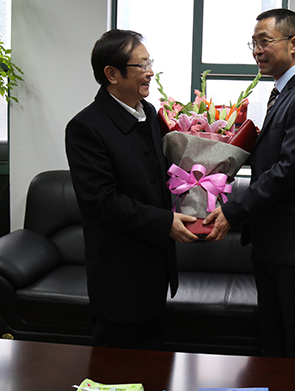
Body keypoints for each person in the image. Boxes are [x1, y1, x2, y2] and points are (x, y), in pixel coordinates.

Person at [204, 8, 295, 359]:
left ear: (294, 43)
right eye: (253, 43)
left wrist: (234, 211)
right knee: (273, 335)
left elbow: (289, 168)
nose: (257, 51)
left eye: (265, 41)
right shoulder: (284, 92)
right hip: (274, 240)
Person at [65, 29, 199, 350]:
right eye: (141, 65)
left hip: (155, 268)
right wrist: (165, 223)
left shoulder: (148, 113)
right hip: (119, 276)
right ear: (112, 74)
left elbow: (160, 177)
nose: (150, 72)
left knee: (151, 363)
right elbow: (103, 202)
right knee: (114, 366)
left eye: (150, 63)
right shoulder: (85, 127)